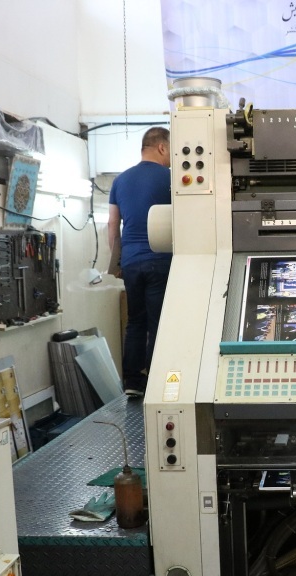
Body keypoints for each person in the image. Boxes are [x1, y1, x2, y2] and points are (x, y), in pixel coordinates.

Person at [107, 127, 173, 397]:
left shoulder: (120, 180)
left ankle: (133, 382)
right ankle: (155, 380)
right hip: (161, 259)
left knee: (135, 321)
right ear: (162, 147)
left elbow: (112, 225)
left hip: (131, 262)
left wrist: (118, 262)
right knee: (159, 322)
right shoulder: (171, 178)